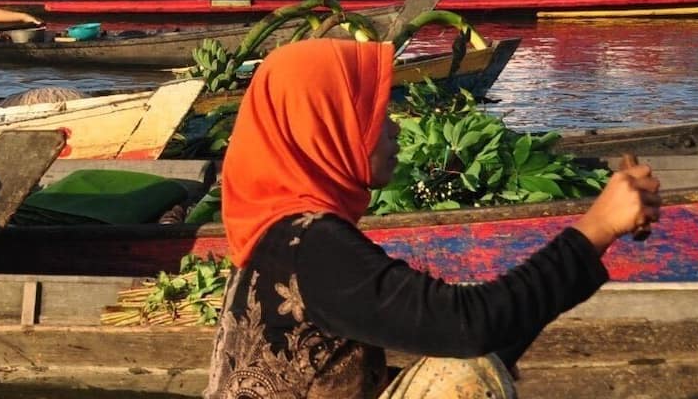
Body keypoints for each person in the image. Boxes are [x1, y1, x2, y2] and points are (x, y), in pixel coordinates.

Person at [204, 38, 661, 398]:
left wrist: (597, 239)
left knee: (467, 362)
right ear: (328, 124)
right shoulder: (316, 248)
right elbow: (469, 325)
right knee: (463, 370)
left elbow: (471, 335)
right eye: (377, 114)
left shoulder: (280, 233)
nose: (395, 128)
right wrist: (594, 230)